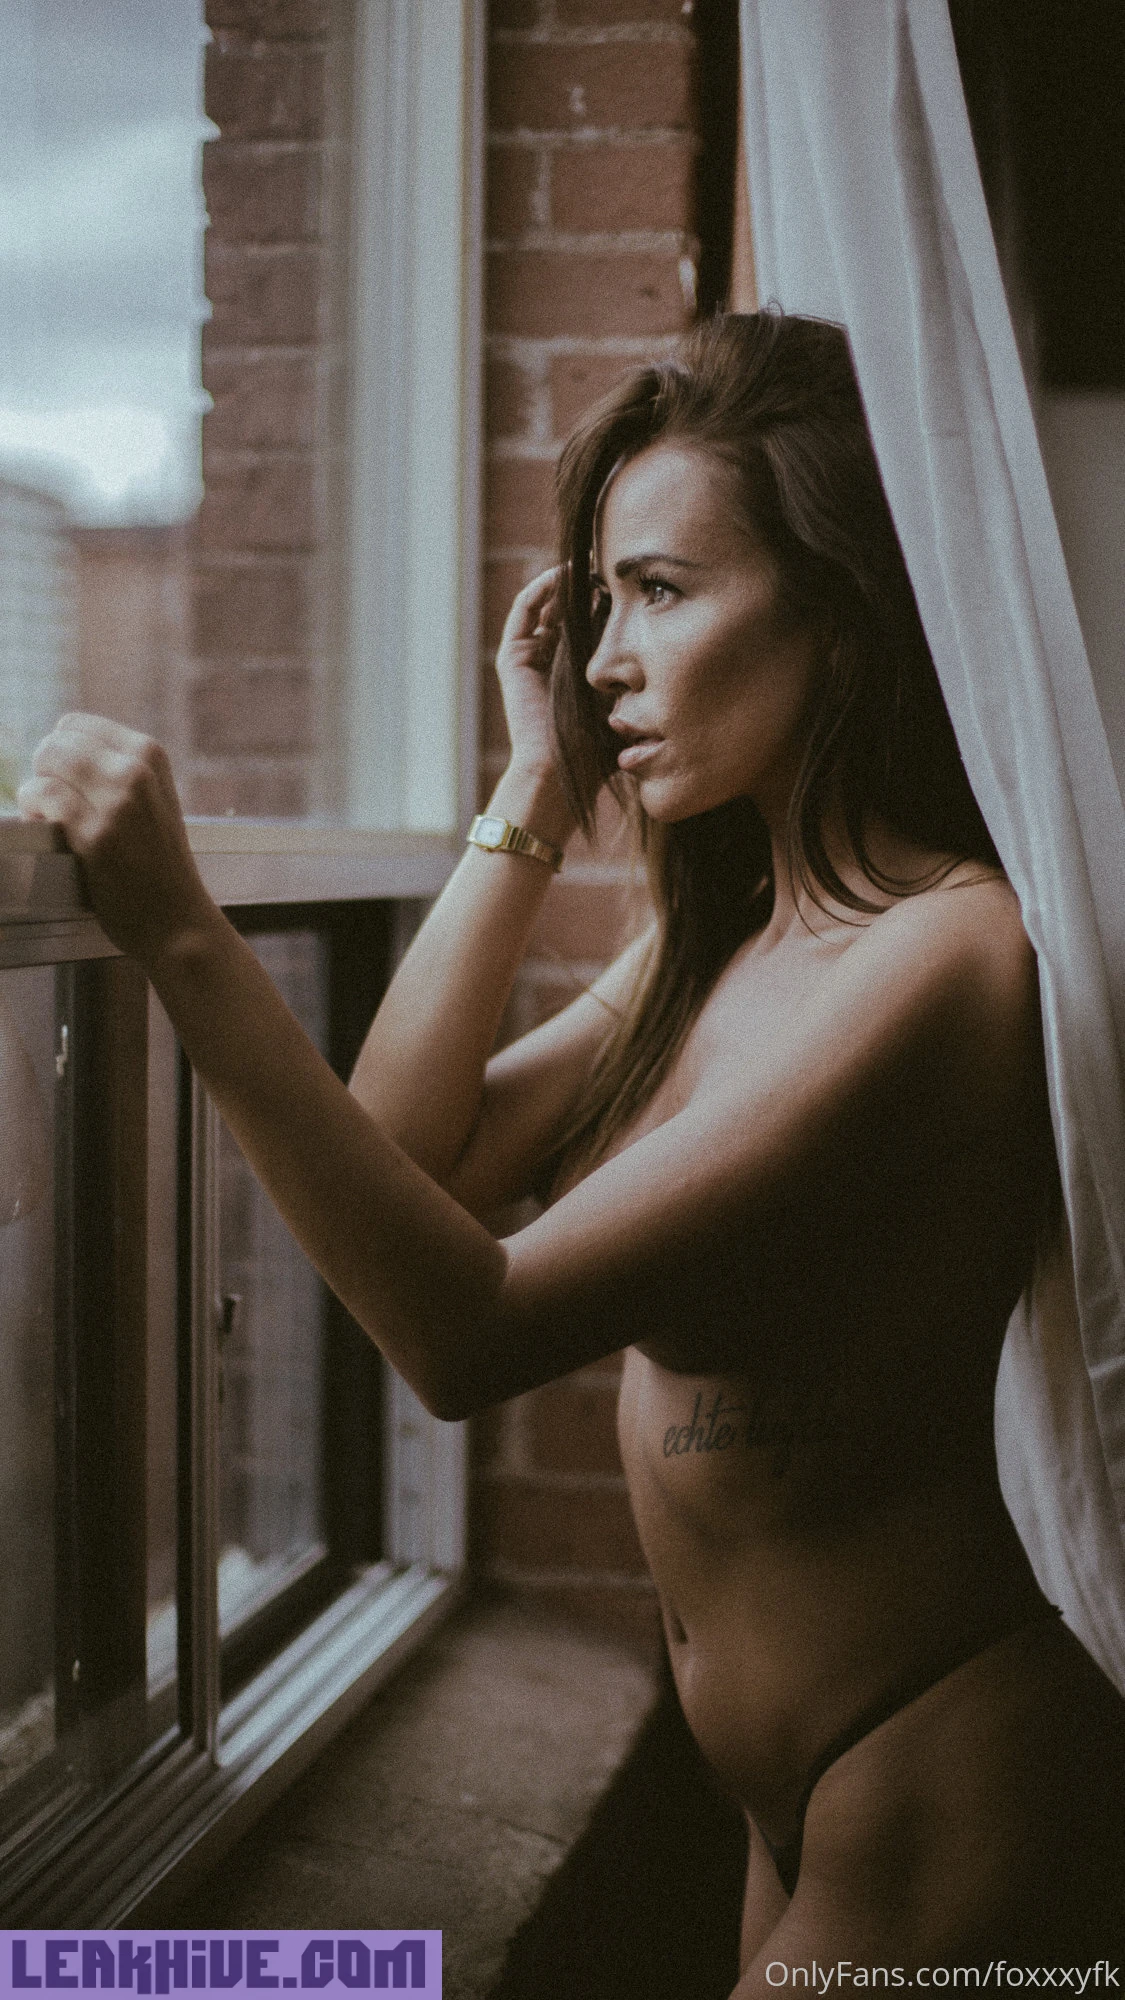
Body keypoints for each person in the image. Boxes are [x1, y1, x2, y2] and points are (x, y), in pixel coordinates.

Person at [21, 312, 1125, 1979]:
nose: (605, 658)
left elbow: (463, 1331)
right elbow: (409, 1155)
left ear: (842, 611)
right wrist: (535, 786)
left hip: (946, 1786)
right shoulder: (722, 941)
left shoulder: (950, 957)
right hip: (786, 1809)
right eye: (600, 598)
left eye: (662, 591)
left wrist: (185, 932)